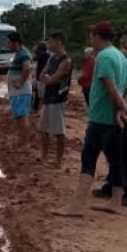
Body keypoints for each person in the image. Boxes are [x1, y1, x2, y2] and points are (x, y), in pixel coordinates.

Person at [56, 22, 127, 217]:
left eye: (92, 35)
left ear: (98, 36)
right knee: (116, 161)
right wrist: (122, 110)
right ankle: (115, 201)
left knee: (88, 159)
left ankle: (76, 205)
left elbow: (111, 88)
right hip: (115, 120)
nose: (90, 39)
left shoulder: (104, 57)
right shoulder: (121, 57)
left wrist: (123, 109)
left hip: (100, 119)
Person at [92, 24, 127, 208]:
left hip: (124, 113)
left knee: (125, 154)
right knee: (118, 152)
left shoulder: (117, 58)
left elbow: (122, 89)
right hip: (123, 111)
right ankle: (113, 186)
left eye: (126, 37)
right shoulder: (125, 58)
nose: (123, 40)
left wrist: (123, 110)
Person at [38, 31, 72, 168]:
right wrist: (48, 78)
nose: (48, 44)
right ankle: (44, 156)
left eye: (50, 41)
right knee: (43, 129)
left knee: (58, 131)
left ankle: (58, 161)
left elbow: (52, 80)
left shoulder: (66, 60)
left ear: (59, 42)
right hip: (48, 98)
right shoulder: (52, 59)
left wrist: (48, 78)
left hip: (58, 99)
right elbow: (42, 75)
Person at [6, 31, 32, 150]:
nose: (7, 45)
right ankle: (22, 141)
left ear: (15, 42)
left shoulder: (23, 54)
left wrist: (20, 82)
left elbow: (27, 68)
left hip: (21, 91)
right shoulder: (19, 53)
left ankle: (25, 143)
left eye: (9, 42)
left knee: (22, 117)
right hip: (18, 92)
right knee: (19, 117)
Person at [32, 42, 50, 114]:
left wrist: (34, 50)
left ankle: (38, 109)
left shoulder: (41, 55)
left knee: (40, 94)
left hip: (40, 77)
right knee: (39, 93)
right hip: (43, 76)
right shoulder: (47, 55)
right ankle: (37, 108)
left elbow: (33, 58)